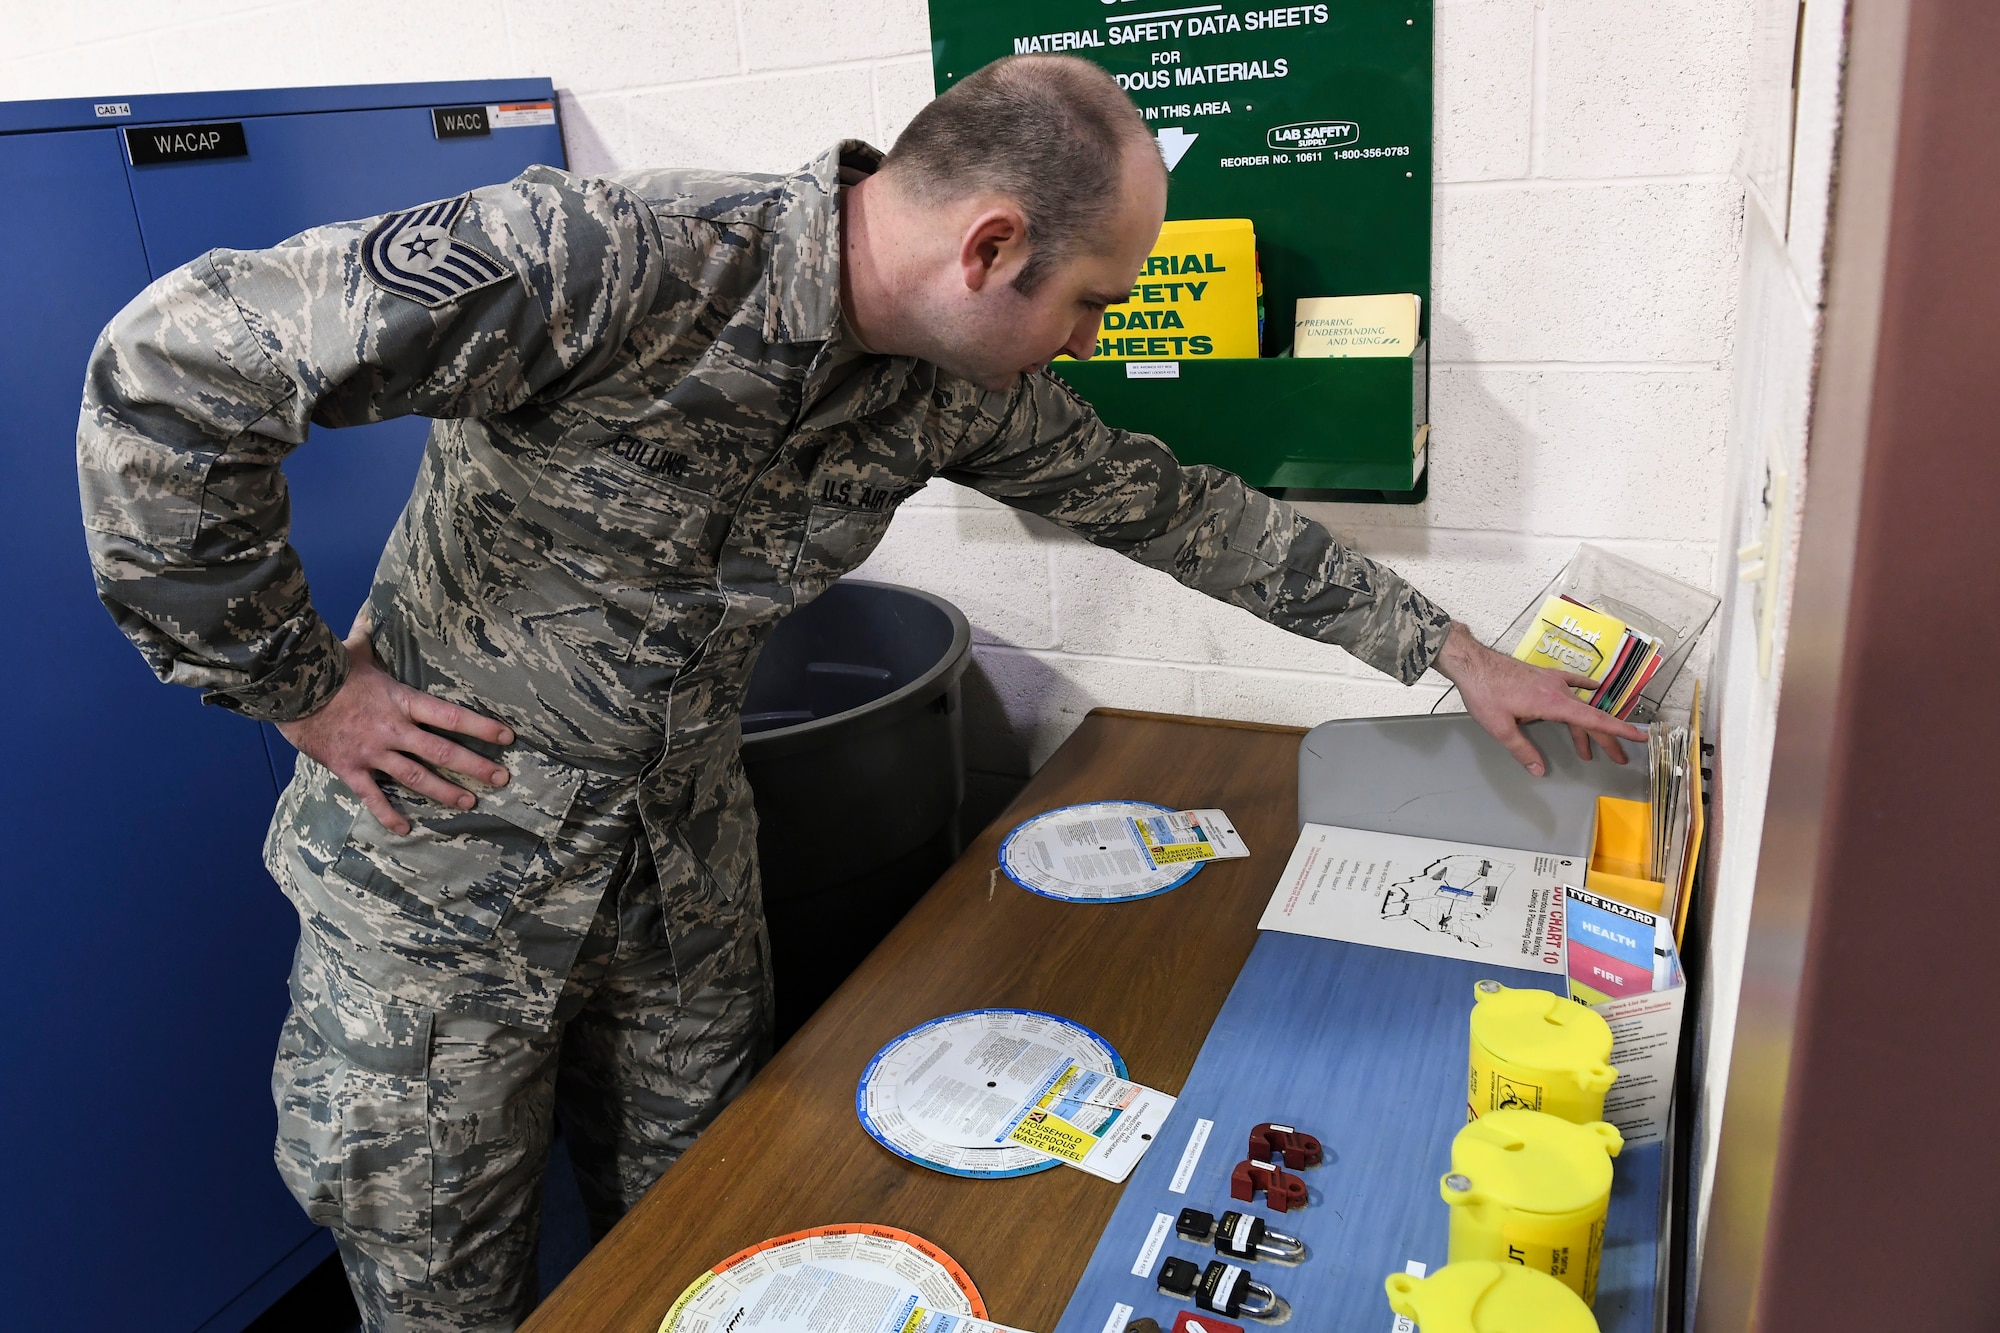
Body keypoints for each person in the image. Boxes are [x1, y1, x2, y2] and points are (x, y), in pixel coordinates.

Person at [76, 54, 1642, 1333]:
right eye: (1089, 300)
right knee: (438, 1282)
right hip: (441, 873)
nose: (1084, 342)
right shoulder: (611, 263)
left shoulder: (948, 378)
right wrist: (299, 689)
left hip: (678, 881)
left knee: (714, 1241)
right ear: (989, 246)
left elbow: (1171, 505)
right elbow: (171, 370)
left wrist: (1445, 648)